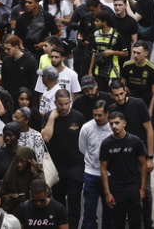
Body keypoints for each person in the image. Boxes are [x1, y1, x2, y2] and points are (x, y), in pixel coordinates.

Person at [42, 89, 84, 229]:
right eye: (61, 104)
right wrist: (52, 118)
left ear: (70, 102)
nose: (64, 107)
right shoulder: (49, 116)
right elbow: (45, 138)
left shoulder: (78, 117)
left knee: (74, 201)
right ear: (55, 103)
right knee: (58, 202)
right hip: (56, 168)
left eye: (66, 104)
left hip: (75, 166)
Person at [100, 111, 149, 229]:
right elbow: (103, 168)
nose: (114, 126)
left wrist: (142, 188)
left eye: (117, 123)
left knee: (136, 222)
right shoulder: (106, 144)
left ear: (124, 123)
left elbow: (143, 164)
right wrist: (107, 192)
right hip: (116, 188)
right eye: (111, 124)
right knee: (118, 223)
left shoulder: (135, 141)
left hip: (133, 187)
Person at [79, 101, 113, 229]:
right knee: (89, 211)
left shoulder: (113, 127)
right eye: (95, 115)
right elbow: (82, 148)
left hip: (110, 175)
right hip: (91, 174)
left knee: (110, 212)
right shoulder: (86, 128)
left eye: (100, 115)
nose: (97, 118)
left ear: (107, 114)